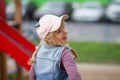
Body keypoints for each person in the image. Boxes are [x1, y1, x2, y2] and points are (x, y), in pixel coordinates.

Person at [28, 14, 82, 80]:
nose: (65, 32)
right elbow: (75, 77)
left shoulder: (39, 51)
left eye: (63, 27)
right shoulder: (64, 53)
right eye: (59, 31)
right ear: (48, 38)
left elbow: (32, 74)